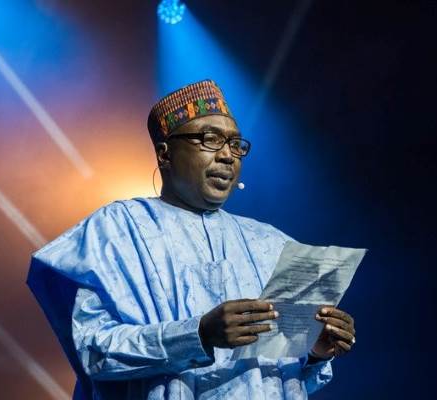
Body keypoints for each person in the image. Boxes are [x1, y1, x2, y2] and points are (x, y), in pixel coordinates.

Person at [27, 79, 357, 399]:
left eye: (235, 145)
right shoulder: (113, 229)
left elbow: (289, 378)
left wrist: (315, 352)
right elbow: (90, 350)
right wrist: (197, 335)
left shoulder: (271, 243)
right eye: (210, 140)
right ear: (165, 154)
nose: (228, 155)